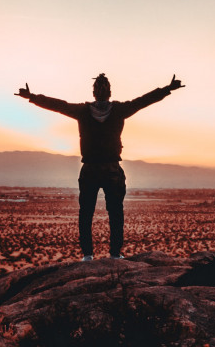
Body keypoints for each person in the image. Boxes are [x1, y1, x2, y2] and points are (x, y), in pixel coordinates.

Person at [16, 73, 185, 261]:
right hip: (112, 168)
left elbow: (58, 105)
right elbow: (143, 101)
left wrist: (32, 97)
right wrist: (167, 89)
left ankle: (88, 255)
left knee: (86, 213)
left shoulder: (83, 111)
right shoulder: (119, 110)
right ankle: (115, 254)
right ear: (109, 92)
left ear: (93, 92)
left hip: (90, 168)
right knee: (115, 212)